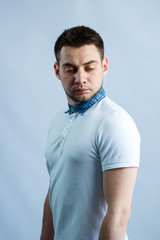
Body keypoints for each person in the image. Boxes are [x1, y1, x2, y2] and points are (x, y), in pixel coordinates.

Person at [40, 26, 140, 240]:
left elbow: (119, 214)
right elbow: (54, 192)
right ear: (57, 71)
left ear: (104, 66)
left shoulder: (114, 123)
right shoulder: (57, 121)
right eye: (70, 69)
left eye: (89, 67)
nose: (80, 78)